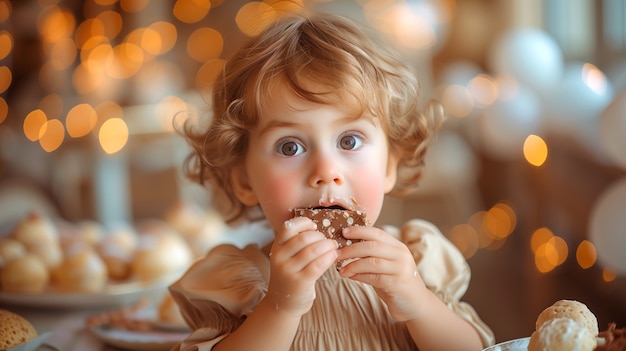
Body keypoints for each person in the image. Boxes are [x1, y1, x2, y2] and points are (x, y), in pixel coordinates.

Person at [170, 9, 495, 351]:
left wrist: (418, 301)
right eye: (290, 146)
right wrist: (280, 307)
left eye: (349, 141)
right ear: (245, 181)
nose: (326, 170)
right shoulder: (240, 284)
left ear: (389, 166)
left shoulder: (417, 260)